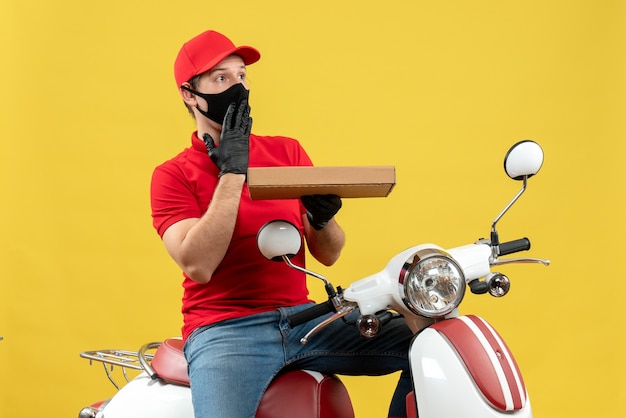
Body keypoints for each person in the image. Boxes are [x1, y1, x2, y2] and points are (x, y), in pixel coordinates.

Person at [150, 29, 414, 418]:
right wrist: (232, 173)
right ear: (190, 94)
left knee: (427, 341)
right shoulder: (172, 174)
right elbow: (198, 264)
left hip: (305, 320)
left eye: (241, 76)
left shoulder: (286, 153)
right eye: (221, 78)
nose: (238, 87)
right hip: (226, 332)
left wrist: (323, 219)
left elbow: (329, 254)